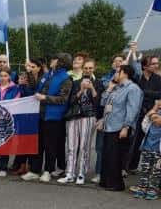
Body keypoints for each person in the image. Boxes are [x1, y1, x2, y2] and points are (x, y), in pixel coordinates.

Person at [22, 53, 73, 182]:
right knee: (37, 144)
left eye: (54, 59)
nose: (51, 60)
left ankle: (48, 171)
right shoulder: (47, 75)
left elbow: (63, 99)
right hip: (39, 114)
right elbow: (35, 89)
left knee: (50, 146)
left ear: (60, 62)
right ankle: (34, 170)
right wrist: (28, 73)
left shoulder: (66, 78)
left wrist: (45, 97)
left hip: (54, 117)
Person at [99, 65, 142, 191]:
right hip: (109, 125)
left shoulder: (133, 89)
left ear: (125, 73)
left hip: (120, 127)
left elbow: (133, 109)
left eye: (117, 72)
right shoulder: (116, 87)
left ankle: (116, 184)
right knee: (107, 155)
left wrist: (126, 126)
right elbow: (104, 103)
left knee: (115, 156)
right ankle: (106, 181)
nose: (114, 75)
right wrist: (108, 90)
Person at [59, 60, 99, 185]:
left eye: (90, 68)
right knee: (71, 147)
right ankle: (70, 173)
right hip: (74, 117)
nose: (88, 70)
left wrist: (92, 88)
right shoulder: (75, 83)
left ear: (94, 69)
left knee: (84, 147)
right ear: (82, 69)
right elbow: (70, 101)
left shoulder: (98, 83)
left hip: (88, 117)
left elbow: (98, 103)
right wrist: (81, 90)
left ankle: (81, 173)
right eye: (86, 68)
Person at [126, 43, 161, 171]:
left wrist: (144, 91)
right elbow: (132, 65)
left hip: (151, 116)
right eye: (153, 63)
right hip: (136, 113)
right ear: (145, 66)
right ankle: (129, 166)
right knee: (132, 141)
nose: (156, 65)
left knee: (147, 143)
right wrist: (133, 51)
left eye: (157, 63)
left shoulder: (158, 79)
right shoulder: (138, 77)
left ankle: (151, 170)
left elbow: (159, 94)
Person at [91, 54, 125, 183]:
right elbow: (106, 88)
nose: (117, 63)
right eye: (115, 61)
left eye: (120, 61)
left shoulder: (128, 83)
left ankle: (114, 173)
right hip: (103, 116)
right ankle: (99, 172)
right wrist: (115, 75)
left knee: (114, 148)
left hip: (117, 120)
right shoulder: (106, 77)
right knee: (100, 146)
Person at [132, 106, 161, 200]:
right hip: (147, 149)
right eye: (153, 118)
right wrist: (154, 110)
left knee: (156, 172)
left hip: (158, 152)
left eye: (157, 118)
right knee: (145, 169)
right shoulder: (149, 125)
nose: (155, 120)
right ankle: (142, 187)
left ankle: (153, 189)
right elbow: (145, 121)